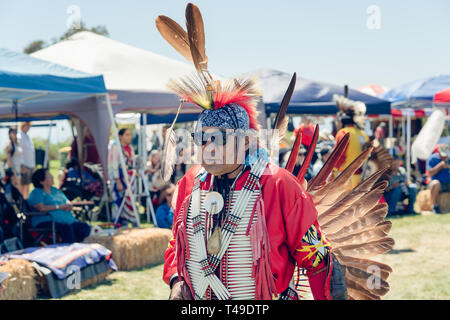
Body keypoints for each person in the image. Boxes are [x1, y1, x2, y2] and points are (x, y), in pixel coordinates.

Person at [27, 168, 91, 243]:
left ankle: (75, 246)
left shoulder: (55, 190)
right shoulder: (36, 193)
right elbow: (41, 207)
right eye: (49, 176)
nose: (52, 177)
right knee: (66, 228)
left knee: (84, 227)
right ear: (41, 181)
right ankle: (68, 249)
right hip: (46, 221)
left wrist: (68, 205)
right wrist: (59, 207)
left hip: (66, 220)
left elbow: (66, 200)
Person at [333, 96, 369, 189]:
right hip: (360, 178)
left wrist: (334, 172)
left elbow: (339, 156)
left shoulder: (343, 133)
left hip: (345, 179)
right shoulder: (363, 135)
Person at [108, 128, 138, 227]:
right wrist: (117, 180)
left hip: (130, 179)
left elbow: (131, 163)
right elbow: (114, 165)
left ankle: (128, 222)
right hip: (120, 179)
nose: (129, 137)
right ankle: (118, 224)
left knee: (130, 201)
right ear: (120, 136)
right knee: (118, 202)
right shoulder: (116, 147)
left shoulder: (130, 148)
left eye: (130, 135)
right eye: (127, 135)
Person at [426, 144, 450, 213]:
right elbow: (429, 173)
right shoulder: (432, 159)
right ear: (438, 152)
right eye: (443, 155)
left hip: (448, 182)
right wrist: (440, 166)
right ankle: (434, 206)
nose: (444, 157)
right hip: (438, 183)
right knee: (436, 183)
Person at [17, 122, 35, 199]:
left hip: (30, 164)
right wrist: (22, 165)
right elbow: (19, 152)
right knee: (23, 185)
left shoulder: (27, 137)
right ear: (22, 126)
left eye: (29, 126)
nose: (28, 127)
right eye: (27, 126)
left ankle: (25, 200)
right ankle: (21, 202)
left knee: (27, 185)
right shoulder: (19, 137)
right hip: (24, 165)